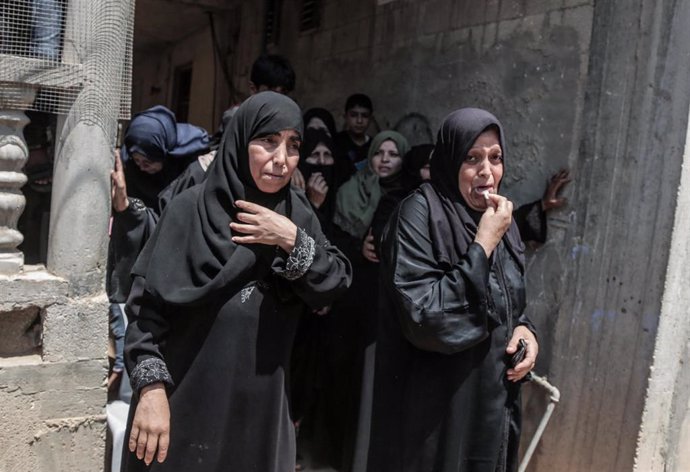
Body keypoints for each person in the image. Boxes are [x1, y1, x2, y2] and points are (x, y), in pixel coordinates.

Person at [121, 92, 352, 472]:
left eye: (293, 145)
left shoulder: (297, 215)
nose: (281, 160)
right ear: (240, 141)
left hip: (259, 413)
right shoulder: (188, 210)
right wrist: (150, 390)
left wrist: (290, 239)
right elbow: (145, 314)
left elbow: (333, 283)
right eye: (268, 141)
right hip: (182, 403)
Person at [363, 108, 538, 472]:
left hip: (490, 406)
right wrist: (483, 245)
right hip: (436, 413)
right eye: (472, 158)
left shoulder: (502, 220)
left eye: (495, 158)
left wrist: (525, 330)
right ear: (449, 160)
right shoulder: (418, 215)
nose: (487, 171)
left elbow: (508, 299)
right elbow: (424, 316)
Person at [333, 94, 374, 169]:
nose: (359, 121)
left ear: (370, 119)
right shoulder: (336, 142)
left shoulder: (375, 145)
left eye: (364, 116)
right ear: (345, 117)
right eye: (354, 115)